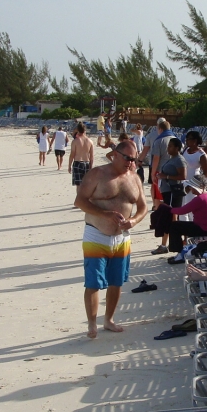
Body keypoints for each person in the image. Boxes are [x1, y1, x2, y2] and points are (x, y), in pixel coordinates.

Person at [73, 140, 148, 339]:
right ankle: (92, 323)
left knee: (116, 282)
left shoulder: (135, 178)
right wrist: (105, 215)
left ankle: (109, 320)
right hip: (96, 234)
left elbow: (143, 207)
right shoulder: (98, 174)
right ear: (115, 154)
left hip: (122, 238)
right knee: (94, 282)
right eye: (127, 158)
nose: (131, 163)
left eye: (134, 159)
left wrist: (133, 220)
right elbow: (79, 201)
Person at [165, 175, 207, 263]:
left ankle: (180, 255)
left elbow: (183, 210)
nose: (190, 189)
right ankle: (180, 253)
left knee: (175, 227)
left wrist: (169, 209)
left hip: (204, 229)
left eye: (192, 187)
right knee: (177, 225)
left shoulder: (200, 199)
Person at [151, 137, 188, 254]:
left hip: (173, 192)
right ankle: (167, 244)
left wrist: (165, 177)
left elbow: (183, 176)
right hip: (168, 192)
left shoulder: (179, 160)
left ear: (177, 148)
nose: (168, 148)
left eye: (171, 146)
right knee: (169, 217)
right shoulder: (172, 159)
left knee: (172, 217)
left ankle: (174, 244)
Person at [149, 119, 177, 211]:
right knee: (172, 197)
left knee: (159, 196)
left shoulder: (159, 141)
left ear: (160, 129)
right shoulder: (176, 140)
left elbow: (156, 159)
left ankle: (159, 214)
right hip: (174, 172)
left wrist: (152, 174)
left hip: (161, 172)